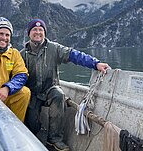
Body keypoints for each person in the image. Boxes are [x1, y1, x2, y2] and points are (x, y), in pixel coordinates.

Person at [20, 18, 110, 151]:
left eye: (41, 30)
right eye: (34, 29)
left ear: (45, 33)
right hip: (32, 93)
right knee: (32, 125)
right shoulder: (21, 54)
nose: (38, 32)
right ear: (29, 33)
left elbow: (75, 55)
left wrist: (95, 63)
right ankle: (34, 135)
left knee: (58, 94)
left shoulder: (55, 48)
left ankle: (54, 139)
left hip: (50, 89)